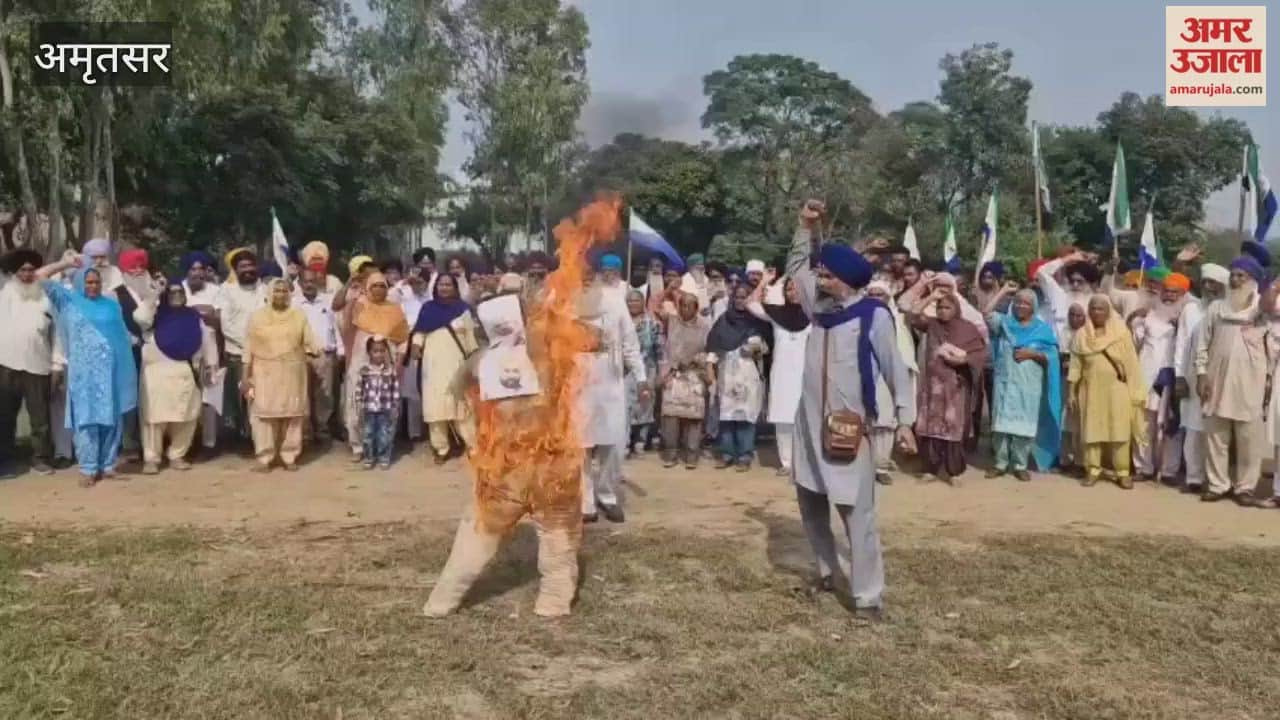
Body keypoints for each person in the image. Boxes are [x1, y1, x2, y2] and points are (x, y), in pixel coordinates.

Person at [786, 200, 916, 623]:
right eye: (821, 272)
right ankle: (827, 572)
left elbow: (897, 369)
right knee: (810, 504)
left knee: (856, 514)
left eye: (827, 274)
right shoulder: (817, 309)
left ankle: (867, 597)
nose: (819, 277)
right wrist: (807, 227)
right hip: (807, 426)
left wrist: (904, 421)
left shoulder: (873, 316)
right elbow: (797, 266)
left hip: (848, 430)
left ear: (845, 280)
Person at [38, 258, 139, 485]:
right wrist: (65, 263)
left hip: (112, 371)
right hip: (84, 373)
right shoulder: (67, 301)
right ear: (80, 283)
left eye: (96, 282)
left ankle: (108, 465)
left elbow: (122, 338)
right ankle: (88, 468)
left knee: (111, 418)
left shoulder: (112, 305)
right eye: (89, 282)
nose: (93, 286)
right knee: (87, 419)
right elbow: (41, 276)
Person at [1195, 256, 1274, 505]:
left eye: (1242, 276)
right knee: (1216, 434)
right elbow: (1202, 344)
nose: (1236, 279)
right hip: (1217, 378)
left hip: (1250, 380)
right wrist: (1201, 374)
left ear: (1253, 280)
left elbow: (1270, 307)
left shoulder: (1262, 309)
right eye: (1234, 274)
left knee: (1248, 437)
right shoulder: (1217, 308)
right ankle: (1218, 484)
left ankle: (1245, 488)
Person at [575, 272, 647, 522]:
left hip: (610, 381)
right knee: (580, 445)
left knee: (613, 443)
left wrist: (641, 377)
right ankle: (586, 502)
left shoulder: (615, 301)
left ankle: (607, 495)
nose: (583, 282)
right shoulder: (563, 301)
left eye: (586, 276)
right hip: (576, 382)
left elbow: (629, 342)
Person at [982, 284, 1062, 480]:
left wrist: (1033, 353)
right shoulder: (1004, 324)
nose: (1020, 306)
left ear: (1033, 306)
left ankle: (1020, 465)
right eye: (1017, 302)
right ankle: (1000, 463)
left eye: (1026, 303)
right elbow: (986, 313)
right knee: (1000, 426)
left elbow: (1052, 356)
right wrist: (1003, 292)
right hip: (1005, 384)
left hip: (1029, 387)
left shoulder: (1042, 330)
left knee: (1023, 429)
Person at [136, 283, 218, 474]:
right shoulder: (155, 315)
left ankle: (177, 454)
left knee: (187, 415)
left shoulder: (193, 316)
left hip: (185, 370)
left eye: (180, 291)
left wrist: (211, 366)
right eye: (172, 292)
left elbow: (207, 340)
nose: (177, 295)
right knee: (154, 419)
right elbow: (139, 317)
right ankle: (152, 458)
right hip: (156, 373)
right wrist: (154, 294)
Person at [909, 286, 987, 484]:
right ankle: (931, 468)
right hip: (933, 387)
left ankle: (954, 472)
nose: (942, 311)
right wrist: (931, 297)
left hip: (956, 388)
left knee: (952, 429)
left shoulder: (968, 328)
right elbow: (913, 314)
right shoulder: (932, 325)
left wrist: (963, 361)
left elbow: (980, 353)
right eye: (940, 307)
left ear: (956, 309)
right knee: (931, 428)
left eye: (947, 307)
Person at [1069, 294, 1146, 489]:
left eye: (1101, 308)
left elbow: (1132, 363)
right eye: (1093, 308)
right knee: (1092, 430)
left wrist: (1135, 390)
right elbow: (1075, 366)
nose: (1096, 312)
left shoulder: (1121, 333)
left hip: (1117, 389)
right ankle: (1093, 469)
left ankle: (1122, 472)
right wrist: (1071, 391)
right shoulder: (1081, 335)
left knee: (1119, 429)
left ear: (1109, 311)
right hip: (1090, 388)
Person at [242, 279, 318, 472]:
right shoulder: (257, 317)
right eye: (276, 291)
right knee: (264, 416)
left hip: (293, 370)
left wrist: (312, 354)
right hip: (264, 371)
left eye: (284, 291)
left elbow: (310, 342)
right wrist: (245, 376)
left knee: (293, 415)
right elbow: (248, 348)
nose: (281, 294)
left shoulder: (298, 316)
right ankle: (264, 457)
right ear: (269, 293)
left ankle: (289, 456)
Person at [0, 249, 62, 477]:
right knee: (4, 415)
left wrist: (57, 364)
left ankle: (40, 459)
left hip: (38, 364)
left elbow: (58, 335)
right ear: (14, 273)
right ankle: (5, 459)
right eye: (22, 270)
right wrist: (63, 262)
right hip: (6, 363)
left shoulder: (46, 298)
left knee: (40, 417)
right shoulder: (5, 292)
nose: (27, 274)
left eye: (31, 270)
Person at [747, 268, 811, 475]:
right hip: (782, 371)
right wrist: (764, 281)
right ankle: (786, 463)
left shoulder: (815, 315)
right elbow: (750, 303)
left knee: (807, 417)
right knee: (783, 417)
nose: (793, 293)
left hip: (807, 372)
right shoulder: (777, 314)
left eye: (797, 289)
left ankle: (805, 462)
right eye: (789, 289)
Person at [340, 272, 410, 460]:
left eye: (382, 286)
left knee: (385, 404)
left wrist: (399, 363)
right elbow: (347, 332)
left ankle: (382, 446)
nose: (378, 289)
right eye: (374, 286)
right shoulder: (359, 306)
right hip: (361, 359)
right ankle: (358, 446)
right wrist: (348, 358)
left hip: (387, 362)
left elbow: (403, 339)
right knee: (357, 401)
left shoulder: (395, 310)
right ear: (368, 288)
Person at [411, 273, 478, 464]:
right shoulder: (428, 309)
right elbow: (419, 333)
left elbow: (470, 338)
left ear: (455, 288)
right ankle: (441, 448)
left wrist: (473, 361)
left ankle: (472, 446)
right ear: (436, 287)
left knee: (462, 407)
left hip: (457, 363)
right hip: (432, 365)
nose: (445, 288)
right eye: (441, 284)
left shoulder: (463, 309)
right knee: (435, 407)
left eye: (449, 285)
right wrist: (416, 347)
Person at [1132, 272, 1191, 483]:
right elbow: (1135, 344)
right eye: (1166, 291)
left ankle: (1169, 471)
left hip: (1172, 377)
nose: (1168, 296)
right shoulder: (1147, 316)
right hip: (1146, 376)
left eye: (1174, 293)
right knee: (1144, 424)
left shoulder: (1186, 319)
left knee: (1172, 424)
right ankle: (1144, 468)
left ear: (1183, 295)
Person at [1174, 263, 1226, 495]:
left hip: (1222, 379)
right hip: (1193, 377)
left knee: (1217, 432)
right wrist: (1180, 377)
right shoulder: (1191, 310)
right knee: (1193, 428)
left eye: (1213, 283)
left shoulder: (1229, 312)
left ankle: (1216, 479)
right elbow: (1182, 344)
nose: (1208, 287)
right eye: (1205, 283)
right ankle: (1194, 477)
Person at [707, 284, 769, 471]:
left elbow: (766, 348)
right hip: (727, 374)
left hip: (749, 375)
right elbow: (713, 347)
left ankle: (744, 455)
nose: (741, 301)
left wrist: (753, 348)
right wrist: (710, 370)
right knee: (726, 415)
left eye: (745, 297)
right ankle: (726, 453)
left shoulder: (757, 321)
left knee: (745, 416)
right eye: (738, 297)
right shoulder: (723, 320)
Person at [864, 279, 917, 485]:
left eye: (880, 295)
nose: (876, 298)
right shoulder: (861, 317)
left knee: (885, 423)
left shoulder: (897, 317)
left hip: (889, 374)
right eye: (872, 294)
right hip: (866, 374)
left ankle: (881, 466)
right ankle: (864, 466)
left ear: (888, 297)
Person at [215, 248, 267, 442]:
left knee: (261, 397)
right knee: (242, 396)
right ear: (235, 270)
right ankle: (242, 435)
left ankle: (258, 437)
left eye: (251, 265)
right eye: (242, 266)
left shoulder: (265, 289)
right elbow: (225, 324)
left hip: (265, 353)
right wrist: (249, 344)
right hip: (237, 353)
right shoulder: (226, 290)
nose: (248, 269)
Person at [660, 286, 712, 469]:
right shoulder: (672, 321)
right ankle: (671, 453)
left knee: (694, 418)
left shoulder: (705, 326)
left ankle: (691, 454)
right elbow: (655, 306)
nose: (685, 309)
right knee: (670, 417)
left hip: (695, 375)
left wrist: (698, 360)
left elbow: (710, 351)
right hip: (673, 375)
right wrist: (670, 290)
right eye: (682, 305)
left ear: (696, 308)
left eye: (690, 306)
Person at [296, 269, 342, 444]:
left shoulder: (328, 302)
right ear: (299, 283)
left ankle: (322, 432)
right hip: (301, 355)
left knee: (325, 395)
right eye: (305, 281)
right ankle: (305, 434)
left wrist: (341, 350)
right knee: (303, 395)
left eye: (312, 281)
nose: (309, 285)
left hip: (325, 354)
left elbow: (335, 327)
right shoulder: (293, 304)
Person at [625, 288, 665, 456]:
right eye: (630, 301)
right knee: (625, 406)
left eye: (636, 300)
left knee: (645, 404)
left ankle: (641, 440)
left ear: (643, 303)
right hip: (625, 370)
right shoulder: (622, 322)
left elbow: (660, 350)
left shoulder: (653, 323)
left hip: (648, 368)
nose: (633, 303)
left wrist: (661, 373)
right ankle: (625, 441)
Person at [354, 335, 400, 470]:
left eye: (382, 351)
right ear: (369, 352)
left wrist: (395, 406)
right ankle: (369, 457)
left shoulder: (390, 370)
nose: (379, 354)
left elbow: (395, 389)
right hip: (369, 408)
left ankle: (384, 457)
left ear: (386, 351)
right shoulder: (365, 371)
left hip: (385, 408)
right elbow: (359, 388)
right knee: (368, 434)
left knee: (384, 434)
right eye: (375, 351)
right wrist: (359, 404)